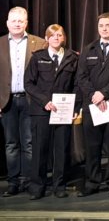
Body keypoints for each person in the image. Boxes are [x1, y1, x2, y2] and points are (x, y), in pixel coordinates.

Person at [76, 12, 109, 197]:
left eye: (108, 25)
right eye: (101, 26)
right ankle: (92, 182)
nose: (104, 29)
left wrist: (104, 93)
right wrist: (93, 95)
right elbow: (81, 77)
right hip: (92, 105)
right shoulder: (88, 49)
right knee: (92, 146)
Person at [24, 24, 76, 199]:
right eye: (52, 35)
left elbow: (77, 85)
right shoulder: (37, 58)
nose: (56, 38)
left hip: (64, 110)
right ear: (46, 38)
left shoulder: (72, 58)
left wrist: (75, 108)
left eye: (59, 35)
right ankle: (37, 187)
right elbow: (29, 83)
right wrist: (44, 101)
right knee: (40, 149)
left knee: (61, 149)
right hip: (41, 111)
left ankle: (59, 186)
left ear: (64, 38)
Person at [0, 7, 47, 197]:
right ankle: (13, 182)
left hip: (31, 101)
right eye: (14, 20)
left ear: (26, 23)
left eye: (21, 21)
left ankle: (29, 181)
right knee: (11, 144)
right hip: (7, 101)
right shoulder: (0, 43)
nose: (17, 23)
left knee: (29, 143)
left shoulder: (40, 43)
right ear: (7, 23)